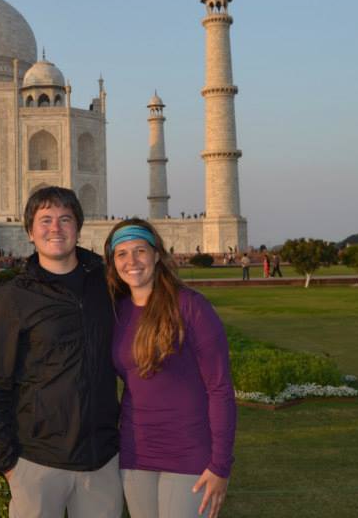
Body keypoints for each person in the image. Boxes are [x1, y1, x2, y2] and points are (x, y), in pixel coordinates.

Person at [0, 186, 122, 518]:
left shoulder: (108, 285)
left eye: (64, 219)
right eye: (45, 220)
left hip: (100, 461)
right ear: (29, 231)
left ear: (78, 227)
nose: (55, 229)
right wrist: (8, 464)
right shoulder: (14, 297)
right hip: (37, 462)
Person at [105, 218, 236, 518]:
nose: (131, 261)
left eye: (140, 251)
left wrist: (220, 465)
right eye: (121, 254)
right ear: (113, 263)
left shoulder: (190, 306)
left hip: (189, 450)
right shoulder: (117, 311)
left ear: (156, 255)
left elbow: (220, 389)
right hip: (136, 451)